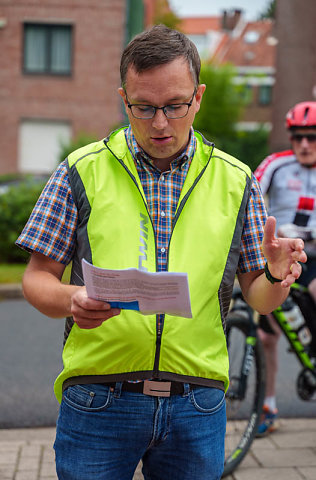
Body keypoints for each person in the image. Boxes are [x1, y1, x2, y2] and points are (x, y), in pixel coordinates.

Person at [16, 25, 306, 480]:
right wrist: (70, 300)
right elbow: (36, 278)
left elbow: (259, 298)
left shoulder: (237, 181)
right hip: (98, 398)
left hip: (197, 402)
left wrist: (273, 275)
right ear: (123, 98)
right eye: (143, 107)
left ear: (198, 97)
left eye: (175, 105)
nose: (159, 124)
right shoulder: (81, 170)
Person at [255, 101, 316, 437]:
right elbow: (249, 194)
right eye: (298, 137)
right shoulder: (276, 165)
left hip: (314, 258)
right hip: (280, 257)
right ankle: (268, 405)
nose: (304, 144)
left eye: (312, 137)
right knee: (266, 336)